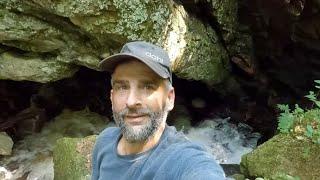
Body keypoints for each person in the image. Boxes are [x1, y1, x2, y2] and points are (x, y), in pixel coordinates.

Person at [91, 41, 225, 180]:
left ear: (169, 98)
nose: (131, 102)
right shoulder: (105, 141)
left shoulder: (182, 160)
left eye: (147, 86)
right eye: (122, 87)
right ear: (112, 97)